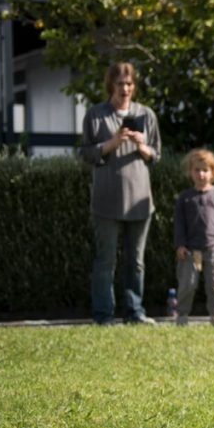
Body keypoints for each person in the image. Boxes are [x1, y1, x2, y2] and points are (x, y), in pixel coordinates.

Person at [79, 61, 162, 325]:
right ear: (110, 85)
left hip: (139, 201)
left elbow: (156, 155)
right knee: (106, 261)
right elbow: (86, 153)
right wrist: (112, 143)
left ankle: (135, 312)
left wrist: (142, 146)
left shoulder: (146, 114)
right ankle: (104, 315)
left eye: (129, 84)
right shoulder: (96, 115)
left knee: (135, 262)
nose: (124, 89)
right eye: (119, 84)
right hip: (106, 200)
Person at [174, 149, 214, 326]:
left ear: (213, 172)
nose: (201, 174)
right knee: (188, 284)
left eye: (205, 170)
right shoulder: (185, 198)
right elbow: (179, 224)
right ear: (190, 172)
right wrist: (180, 245)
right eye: (197, 170)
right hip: (192, 251)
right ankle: (182, 315)